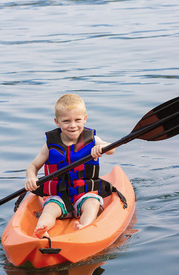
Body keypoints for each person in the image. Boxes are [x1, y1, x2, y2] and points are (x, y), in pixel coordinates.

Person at [25, 94, 115, 238]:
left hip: (84, 195)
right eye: (66, 121)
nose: (72, 125)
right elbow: (33, 166)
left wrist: (102, 147)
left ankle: (84, 227)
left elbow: (112, 149)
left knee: (92, 204)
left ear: (85, 119)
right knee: (49, 209)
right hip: (59, 197)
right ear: (57, 122)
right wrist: (31, 177)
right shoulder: (50, 146)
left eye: (77, 120)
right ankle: (43, 230)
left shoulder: (92, 140)